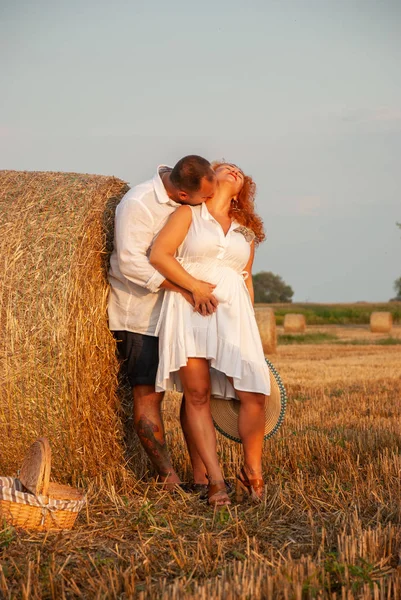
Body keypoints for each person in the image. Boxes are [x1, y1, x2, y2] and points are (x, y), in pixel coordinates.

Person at [150, 162, 270, 506]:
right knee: (198, 394)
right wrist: (193, 288)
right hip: (190, 308)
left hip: (234, 313)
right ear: (208, 180)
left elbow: (246, 277)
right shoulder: (189, 215)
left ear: (242, 188)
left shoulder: (245, 230)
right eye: (224, 166)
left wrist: (251, 325)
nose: (234, 169)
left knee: (253, 393)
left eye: (239, 170)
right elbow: (160, 255)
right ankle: (216, 482)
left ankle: (252, 472)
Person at [108, 155, 218, 490]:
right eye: (203, 198)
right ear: (184, 196)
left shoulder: (189, 198)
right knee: (149, 395)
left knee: (195, 393)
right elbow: (130, 265)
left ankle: (202, 477)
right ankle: (167, 477)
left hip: (180, 315)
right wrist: (187, 287)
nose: (207, 203)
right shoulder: (137, 204)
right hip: (143, 316)